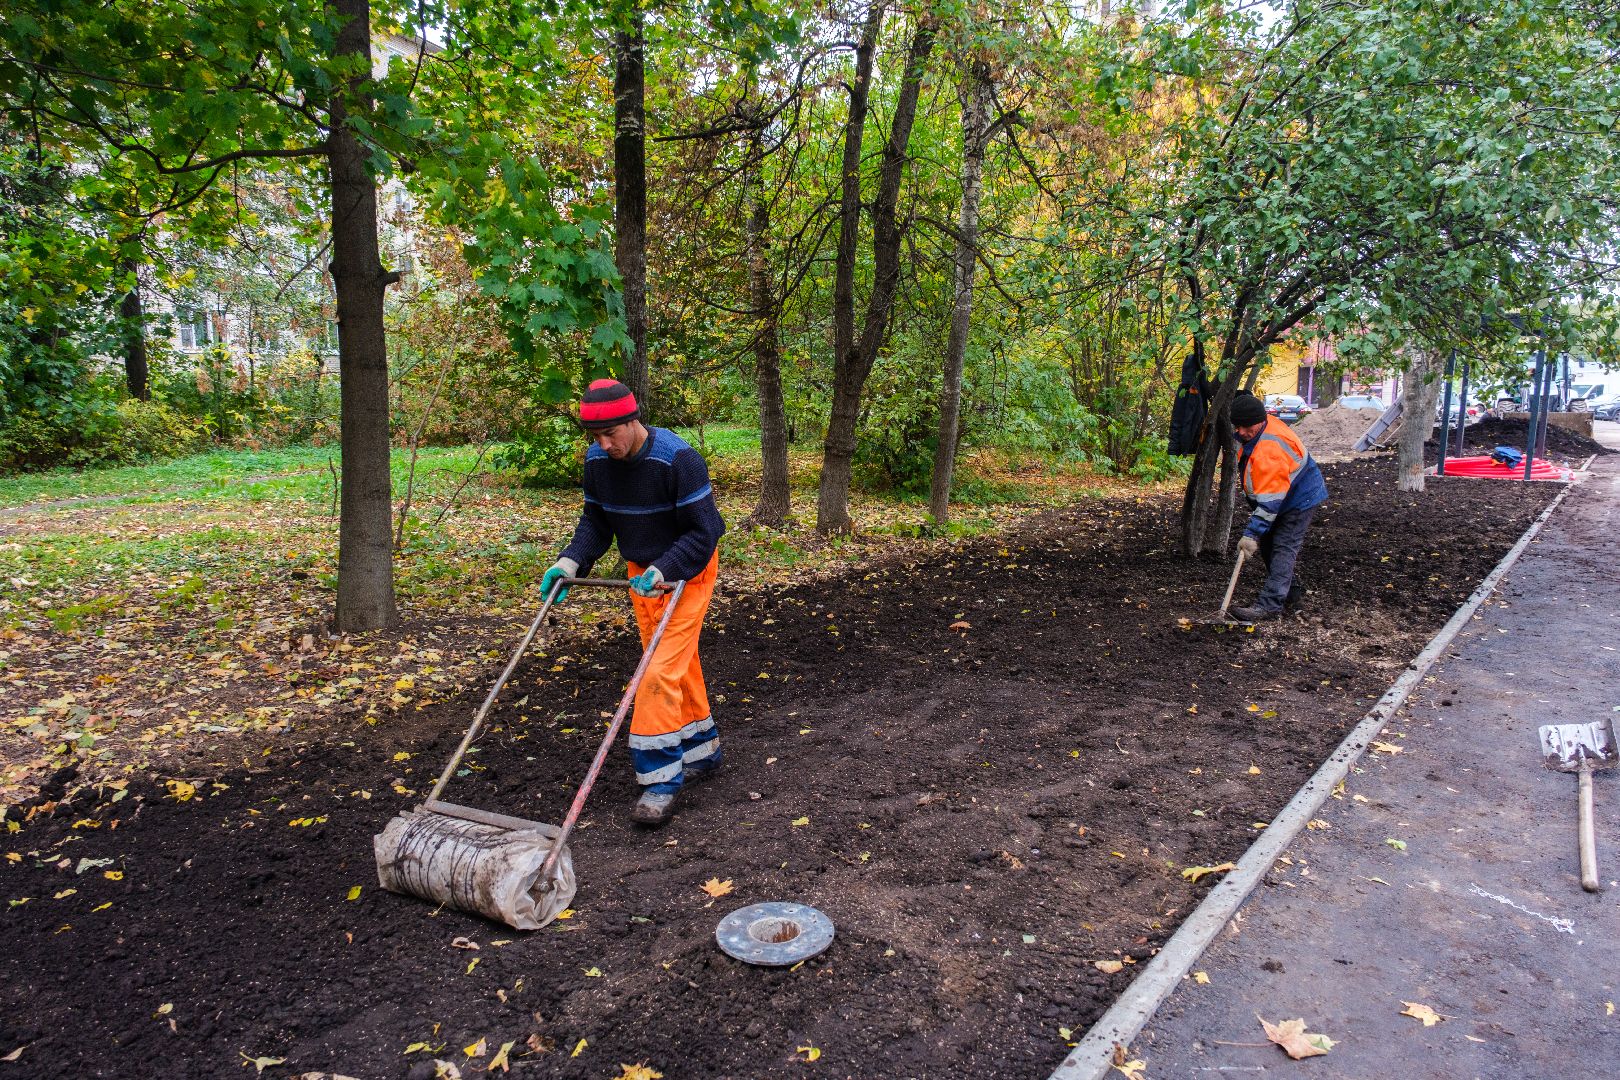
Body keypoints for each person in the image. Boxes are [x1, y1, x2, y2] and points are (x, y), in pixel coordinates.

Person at [541, 379, 726, 826]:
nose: (604, 446)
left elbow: (705, 531)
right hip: (639, 575)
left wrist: (665, 569)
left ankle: (660, 779)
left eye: (612, 435)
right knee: (674, 663)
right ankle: (702, 749)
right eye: (595, 438)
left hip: (687, 572)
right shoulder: (598, 462)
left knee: (658, 671)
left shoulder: (678, 459)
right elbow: (596, 523)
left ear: (633, 420)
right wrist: (570, 563)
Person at [1226, 391, 1328, 622]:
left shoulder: (1269, 449)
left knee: (1283, 546)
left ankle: (1270, 606)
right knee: (1270, 546)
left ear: (1260, 421)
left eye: (1245, 427)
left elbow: (1270, 504)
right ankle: (1291, 591)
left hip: (1299, 498)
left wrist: (1251, 534)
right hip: (1284, 494)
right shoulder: (1257, 430)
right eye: (1238, 426)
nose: (1240, 432)